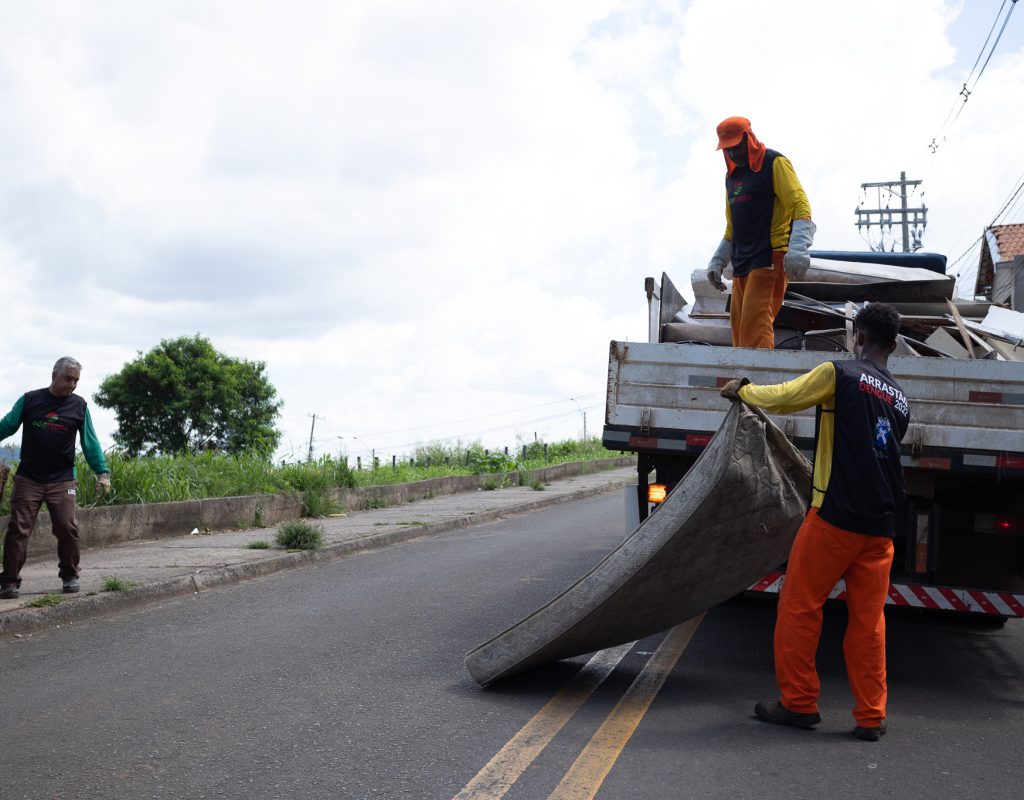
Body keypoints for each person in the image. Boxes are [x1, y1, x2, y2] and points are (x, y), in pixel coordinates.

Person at [720, 303, 909, 741]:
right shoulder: (901, 400)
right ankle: (870, 717)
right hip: (880, 526)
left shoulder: (838, 373)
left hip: (834, 518)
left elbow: (786, 397)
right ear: (894, 346)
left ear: (857, 336)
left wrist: (743, 391)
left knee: (800, 607)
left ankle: (799, 703)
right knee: (869, 622)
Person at [0, 357, 111, 599]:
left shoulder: (79, 406)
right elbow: (6, 426)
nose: (72, 385)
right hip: (29, 478)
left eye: (76, 381)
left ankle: (70, 574)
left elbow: (90, 443)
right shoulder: (30, 400)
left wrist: (103, 473)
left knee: (67, 527)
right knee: (18, 529)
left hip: (62, 479)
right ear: (54, 376)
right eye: (68, 379)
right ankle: (9, 581)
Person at [706, 116, 815, 349]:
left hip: (769, 258)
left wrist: (798, 247)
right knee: (740, 332)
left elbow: (800, 205)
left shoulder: (774, 163)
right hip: (742, 263)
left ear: (749, 138)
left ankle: (759, 384)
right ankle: (743, 382)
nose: (734, 154)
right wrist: (717, 261)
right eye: (728, 150)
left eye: (736, 147)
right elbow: (731, 228)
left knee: (756, 327)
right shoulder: (732, 178)